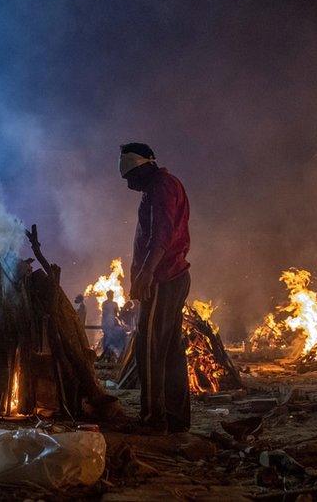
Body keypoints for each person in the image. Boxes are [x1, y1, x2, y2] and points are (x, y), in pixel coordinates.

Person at [120, 142, 192, 433]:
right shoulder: (163, 186)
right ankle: (176, 419)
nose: (128, 185)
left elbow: (161, 235)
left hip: (163, 280)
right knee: (171, 350)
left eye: (130, 178)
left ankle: (154, 420)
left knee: (149, 349)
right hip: (173, 278)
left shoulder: (161, 188)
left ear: (143, 167)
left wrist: (146, 273)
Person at [101, 290, 127, 357]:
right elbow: (104, 314)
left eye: (112, 295)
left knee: (111, 337)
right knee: (107, 337)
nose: (111, 296)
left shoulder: (114, 303)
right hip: (107, 322)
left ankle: (111, 353)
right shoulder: (105, 303)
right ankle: (106, 353)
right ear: (108, 295)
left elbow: (117, 314)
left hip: (111, 322)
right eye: (110, 295)